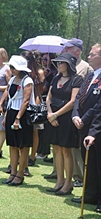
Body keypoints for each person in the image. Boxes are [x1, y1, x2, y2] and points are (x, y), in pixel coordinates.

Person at [44, 53, 82, 195]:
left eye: (62, 62)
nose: (59, 65)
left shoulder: (76, 80)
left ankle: (68, 183)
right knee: (56, 149)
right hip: (52, 117)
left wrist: (55, 114)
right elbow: (48, 97)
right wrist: (50, 114)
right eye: (58, 62)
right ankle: (59, 181)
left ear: (69, 65)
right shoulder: (56, 78)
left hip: (66, 118)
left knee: (66, 150)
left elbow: (73, 102)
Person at [72, 43, 101, 210]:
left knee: (98, 165)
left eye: (92, 54)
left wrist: (84, 118)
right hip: (83, 125)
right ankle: (89, 194)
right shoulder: (90, 76)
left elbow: (98, 105)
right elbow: (78, 98)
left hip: (96, 126)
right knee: (87, 162)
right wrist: (75, 115)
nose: (88, 56)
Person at [61, 38, 93, 187]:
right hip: (64, 111)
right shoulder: (65, 63)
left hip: (77, 112)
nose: (66, 50)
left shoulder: (86, 67)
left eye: (69, 48)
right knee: (62, 147)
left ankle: (78, 176)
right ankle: (60, 173)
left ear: (78, 51)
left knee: (75, 148)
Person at [0, 55, 34, 186]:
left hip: (23, 115)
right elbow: (10, 96)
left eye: (13, 67)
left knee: (23, 146)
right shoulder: (13, 79)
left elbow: (25, 100)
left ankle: (20, 174)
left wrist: (18, 118)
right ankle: (13, 172)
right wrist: (6, 114)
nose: (11, 69)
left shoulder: (27, 80)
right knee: (13, 145)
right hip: (12, 112)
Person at [21, 50, 45, 172]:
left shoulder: (38, 72)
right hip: (23, 101)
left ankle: (32, 156)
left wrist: (35, 106)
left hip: (35, 102)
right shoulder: (22, 72)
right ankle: (22, 159)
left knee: (34, 131)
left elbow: (39, 91)